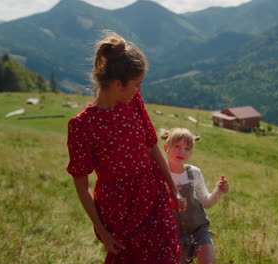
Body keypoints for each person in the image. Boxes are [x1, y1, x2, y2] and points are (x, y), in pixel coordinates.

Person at [66, 32, 184, 264]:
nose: (139, 91)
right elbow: (82, 187)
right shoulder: (82, 126)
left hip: (153, 192)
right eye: (136, 85)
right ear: (118, 84)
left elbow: (152, 147)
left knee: (166, 255)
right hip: (118, 208)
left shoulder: (134, 103)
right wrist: (102, 231)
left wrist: (173, 189)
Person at [161, 128, 229, 264]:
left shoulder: (194, 173)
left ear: (191, 152)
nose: (182, 152)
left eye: (187, 149)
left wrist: (219, 191)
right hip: (172, 236)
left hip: (198, 230)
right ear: (166, 148)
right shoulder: (159, 174)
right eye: (177, 146)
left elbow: (206, 202)